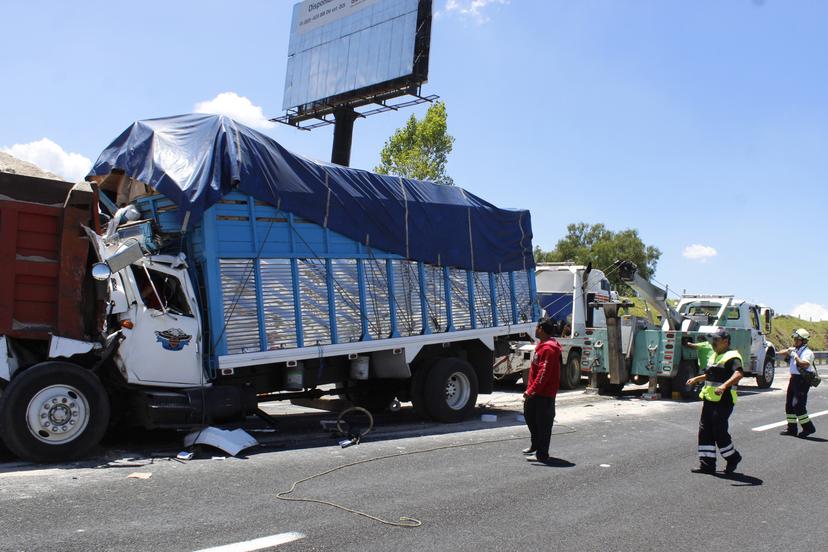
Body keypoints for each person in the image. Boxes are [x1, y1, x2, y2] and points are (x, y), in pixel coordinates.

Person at [685, 328, 744, 474]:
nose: (713, 343)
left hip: (724, 399)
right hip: (710, 398)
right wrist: (696, 379)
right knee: (705, 431)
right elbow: (711, 374)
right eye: (712, 340)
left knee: (719, 431)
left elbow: (739, 373)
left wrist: (724, 386)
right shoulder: (715, 355)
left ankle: (733, 457)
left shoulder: (732, 356)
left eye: (716, 340)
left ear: (725, 341)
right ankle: (707, 465)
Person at [523, 317, 562, 463]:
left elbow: (543, 373)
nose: (535, 329)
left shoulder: (549, 349)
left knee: (543, 424)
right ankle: (535, 445)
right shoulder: (542, 345)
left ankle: (542, 454)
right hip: (535, 392)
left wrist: (532, 390)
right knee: (529, 417)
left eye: (537, 327)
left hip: (543, 394)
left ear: (541, 329)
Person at [780, 328, 817, 438]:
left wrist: (796, 357)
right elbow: (781, 353)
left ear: (804, 341)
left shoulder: (807, 352)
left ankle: (809, 428)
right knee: (789, 405)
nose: (795, 341)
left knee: (798, 405)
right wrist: (789, 351)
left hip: (802, 380)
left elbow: (804, 364)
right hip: (794, 379)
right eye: (795, 339)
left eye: (797, 340)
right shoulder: (795, 349)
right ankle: (792, 429)